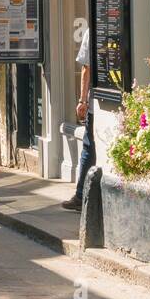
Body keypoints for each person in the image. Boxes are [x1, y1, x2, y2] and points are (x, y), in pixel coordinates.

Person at [62, 27, 95, 212]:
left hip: (95, 99)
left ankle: (81, 194)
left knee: (88, 146)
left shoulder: (93, 29)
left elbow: (86, 67)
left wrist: (82, 100)